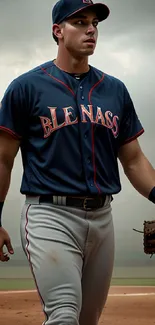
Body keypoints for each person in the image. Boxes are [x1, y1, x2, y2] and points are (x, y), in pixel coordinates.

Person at [0, 0, 155, 324]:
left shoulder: (114, 90)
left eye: (95, 22)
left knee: (86, 320)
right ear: (58, 31)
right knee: (63, 315)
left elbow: (133, 159)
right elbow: (3, 159)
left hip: (102, 218)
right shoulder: (26, 87)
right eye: (80, 22)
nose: (91, 29)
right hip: (49, 214)